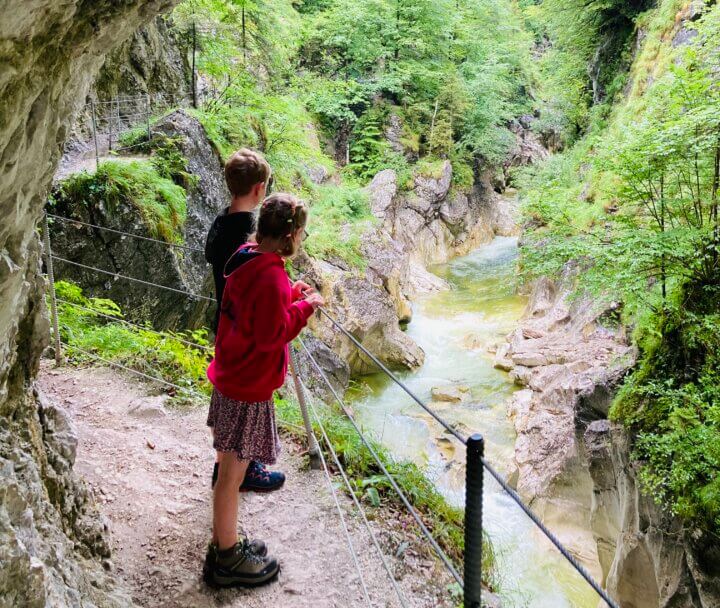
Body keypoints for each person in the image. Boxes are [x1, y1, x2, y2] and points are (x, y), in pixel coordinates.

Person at [204, 193, 324, 588]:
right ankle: (226, 558)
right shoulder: (272, 275)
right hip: (247, 387)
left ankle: (226, 541)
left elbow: (258, 307)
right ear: (291, 235)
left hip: (231, 375)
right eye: (301, 233)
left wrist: (290, 294)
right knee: (232, 477)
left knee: (227, 468)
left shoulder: (246, 256)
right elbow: (274, 332)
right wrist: (305, 307)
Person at [205, 148, 285, 493]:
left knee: (228, 394)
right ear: (260, 189)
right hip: (245, 324)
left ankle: (224, 464)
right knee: (247, 398)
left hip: (223, 318)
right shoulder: (246, 234)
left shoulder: (220, 221)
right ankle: (244, 468)